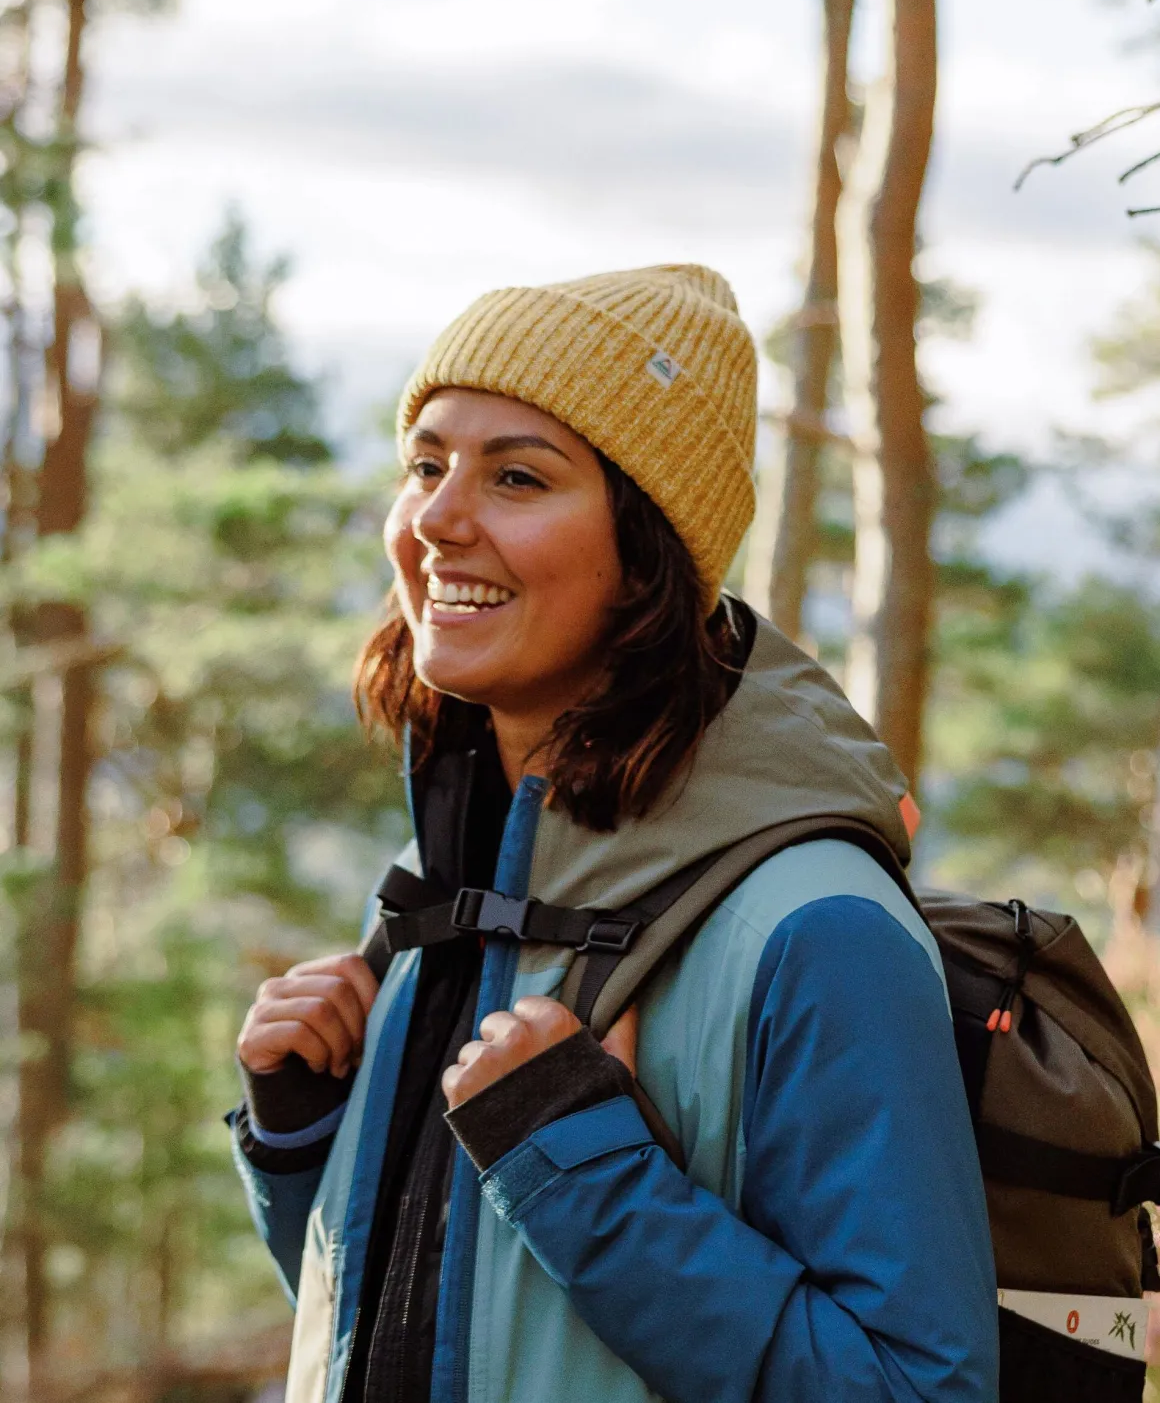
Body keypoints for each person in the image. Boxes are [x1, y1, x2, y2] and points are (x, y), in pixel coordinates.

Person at [230, 264, 999, 1403]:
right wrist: (302, 1136)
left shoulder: (814, 926)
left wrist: (587, 1178)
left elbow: (917, 1389)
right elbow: (439, 1332)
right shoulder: (439, 890)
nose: (437, 520)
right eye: (427, 464)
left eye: (517, 477)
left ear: (646, 552)